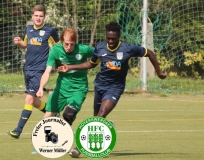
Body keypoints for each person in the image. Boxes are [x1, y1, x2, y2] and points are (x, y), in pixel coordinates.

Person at [58, 21, 167, 157]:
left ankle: (79, 147)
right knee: (96, 118)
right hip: (100, 86)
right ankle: (107, 125)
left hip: (115, 88)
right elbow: (91, 64)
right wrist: (70, 67)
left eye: (113, 39)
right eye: (108, 38)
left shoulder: (128, 49)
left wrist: (159, 72)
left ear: (118, 37)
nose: (110, 41)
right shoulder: (100, 48)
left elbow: (149, 53)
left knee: (101, 115)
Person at [33, 28, 93, 155]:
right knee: (48, 116)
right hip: (61, 89)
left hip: (78, 89)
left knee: (68, 114)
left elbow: (100, 55)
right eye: (66, 44)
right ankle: (41, 144)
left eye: (72, 44)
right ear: (61, 41)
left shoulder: (83, 49)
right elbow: (47, 71)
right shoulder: (56, 50)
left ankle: (64, 136)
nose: (69, 47)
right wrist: (40, 88)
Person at [7, 4, 60, 139]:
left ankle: (18, 130)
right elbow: (25, 45)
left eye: (41, 16)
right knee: (35, 101)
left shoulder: (49, 31)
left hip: (39, 70)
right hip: (28, 69)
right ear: (32, 16)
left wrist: (58, 61)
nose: (38, 18)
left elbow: (59, 47)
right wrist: (18, 42)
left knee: (29, 98)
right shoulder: (28, 29)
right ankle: (53, 111)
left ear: (44, 17)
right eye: (36, 15)